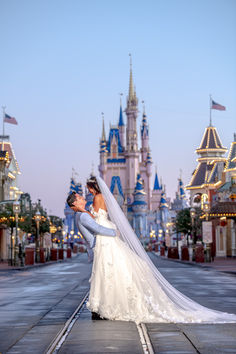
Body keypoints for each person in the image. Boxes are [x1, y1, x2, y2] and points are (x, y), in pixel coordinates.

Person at [83, 175, 236, 324]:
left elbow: (94, 219)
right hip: (106, 232)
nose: (88, 191)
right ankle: (111, 303)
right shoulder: (107, 198)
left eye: (88, 188)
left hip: (104, 233)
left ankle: (108, 304)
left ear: (92, 187)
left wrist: (83, 212)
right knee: (110, 267)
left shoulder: (97, 198)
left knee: (106, 268)